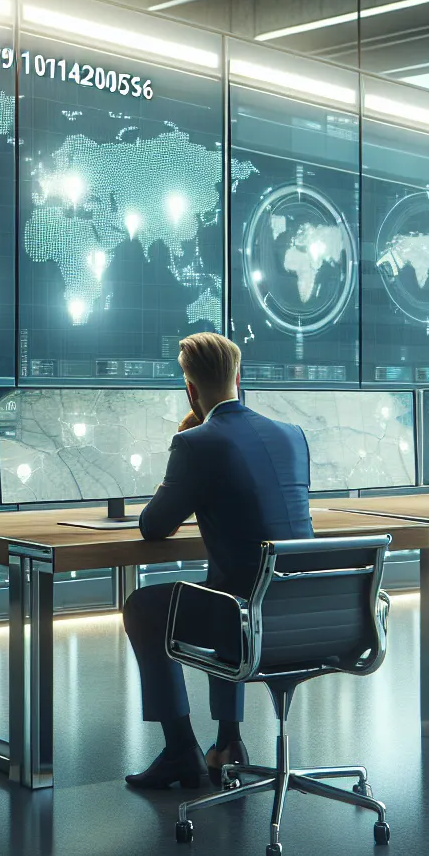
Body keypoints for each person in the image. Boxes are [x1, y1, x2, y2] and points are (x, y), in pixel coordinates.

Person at [121, 332, 313, 790]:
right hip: (306, 617)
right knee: (226, 585)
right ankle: (228, 743)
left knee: (144, 608)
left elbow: (153, 526)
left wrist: (185, 440)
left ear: (190, 389)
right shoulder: (293, 436)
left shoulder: (197, 444)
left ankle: (181, 751)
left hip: (244, 620)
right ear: (238, 378)